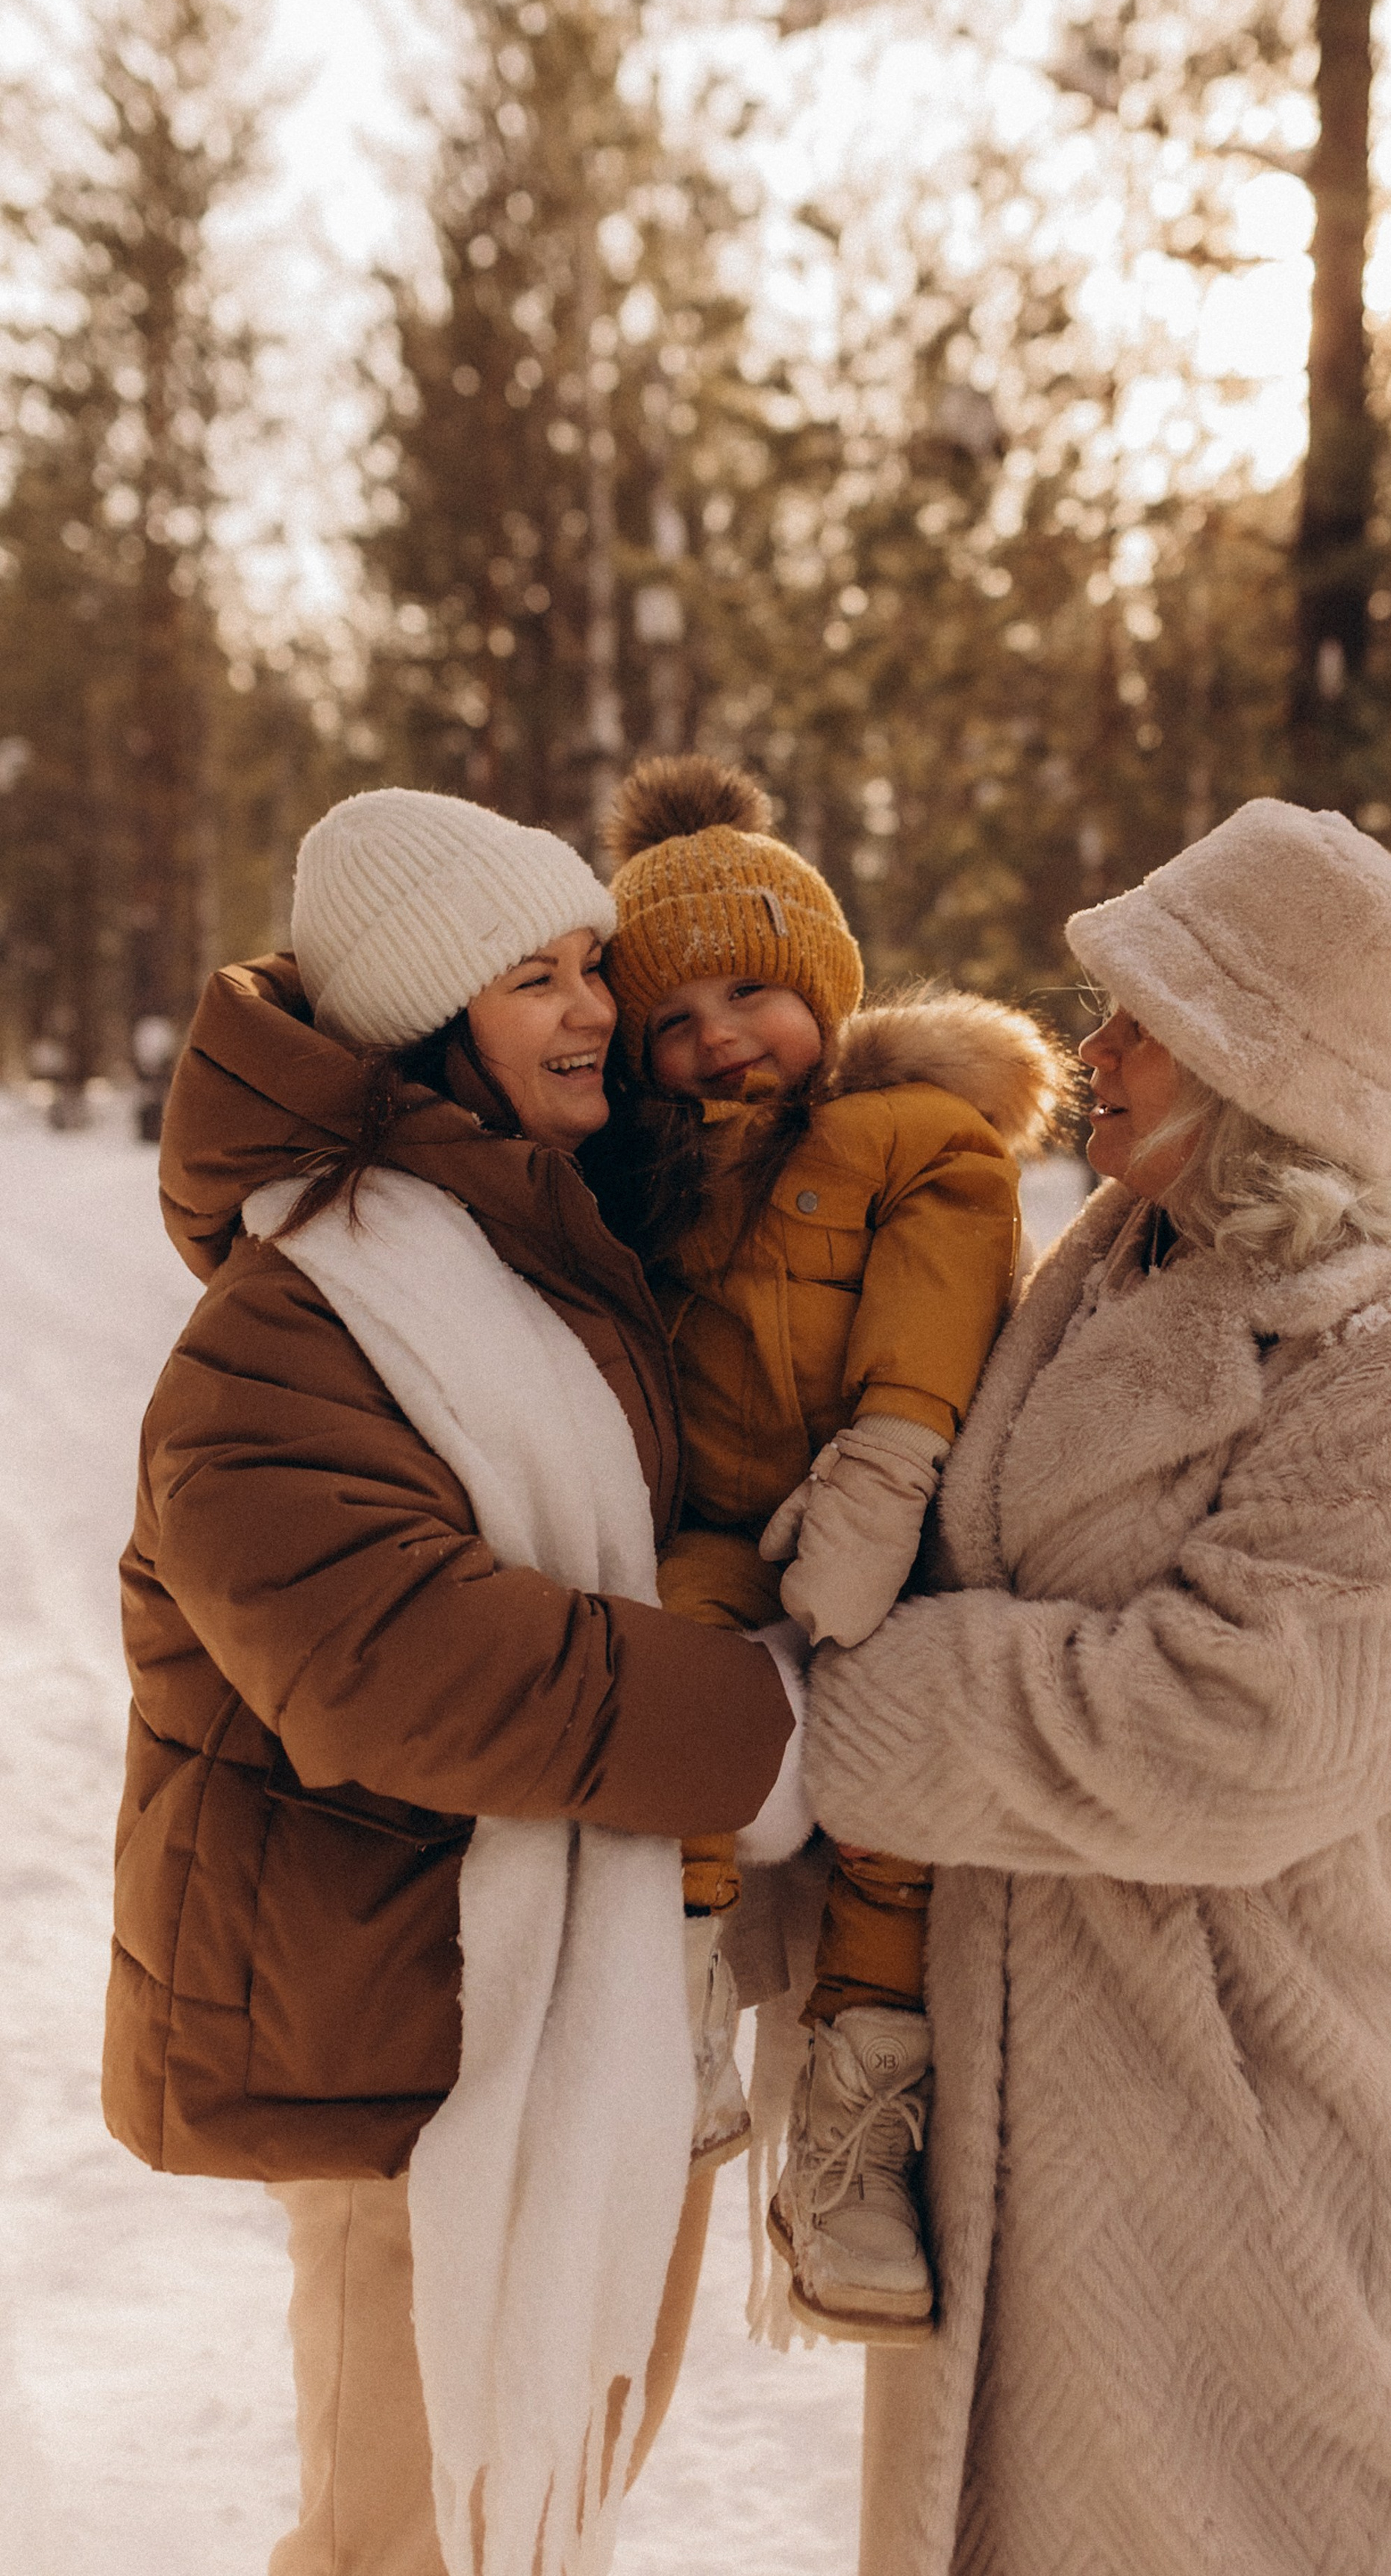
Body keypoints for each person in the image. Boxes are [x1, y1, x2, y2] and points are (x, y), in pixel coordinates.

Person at [801, 798, 1391, 2576]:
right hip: (1021, 2090)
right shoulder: (1113, 1260)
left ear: (1255, 1062)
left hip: (1238, 2111)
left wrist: (845, 1717)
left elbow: (1237, 1733)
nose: (1091, 1047)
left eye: (1143, 1016)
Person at [104, 787, 804, 2576]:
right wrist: (767, 1730)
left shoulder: (543, 1258)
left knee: (543, 2512)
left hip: (586, 2010)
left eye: (592, 967)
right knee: (398, 2546)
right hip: (406, 2030)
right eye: (532, 978)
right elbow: (395, 1666)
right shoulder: (292, 1327)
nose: (595, 1011)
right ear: (427, 1025)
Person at [592, 754, 1066, 2344]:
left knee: (894, 1820)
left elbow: (939, 1307)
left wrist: (884, 1468)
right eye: (675, 1015)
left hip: (890, 1527)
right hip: (721, 1533)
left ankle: (853, 2136)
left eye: (750, 990)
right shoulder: (650, 1174)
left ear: (822, 987)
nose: (717, 1032)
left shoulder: (914, 1136)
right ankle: (674, 2022)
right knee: (672, 1698)